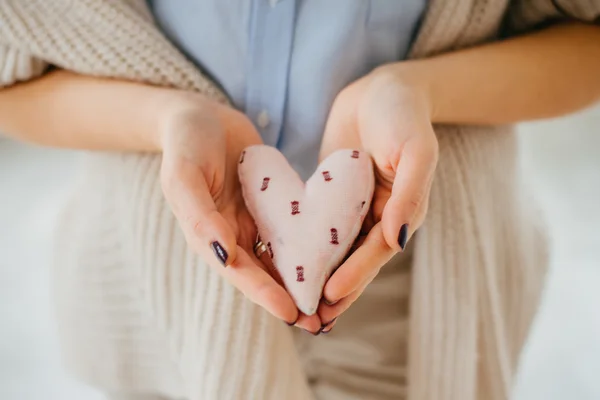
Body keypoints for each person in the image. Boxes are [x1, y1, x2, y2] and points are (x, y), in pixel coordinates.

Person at [1, 1, 599, 399]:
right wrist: (168, 119)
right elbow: (11, 80)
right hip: (156, 300)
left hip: (416, 301)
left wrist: (414, 89)